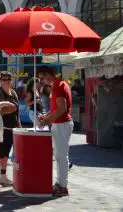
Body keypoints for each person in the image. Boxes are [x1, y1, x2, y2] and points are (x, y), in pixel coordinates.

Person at [38, 66, 73, 197]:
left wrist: (47, 120)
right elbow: (56, 109)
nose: (42, 81)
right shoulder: (59, 84)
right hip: (61, 124)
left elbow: (62, 109)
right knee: (60, 156)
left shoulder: (58, 86)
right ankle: (60, 183)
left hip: (62, 124)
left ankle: (62, 186)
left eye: (42, 78)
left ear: (48, 74)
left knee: (61, 157)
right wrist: (46, 117)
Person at [0, 71, 21, 186]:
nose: (7, 81)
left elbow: (17, 111)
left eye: (9, 79)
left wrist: (19, 125)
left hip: (13, 127)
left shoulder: (13, 92)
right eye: (4, 79)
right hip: (2, 127)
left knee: (6, 154)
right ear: (0, 81)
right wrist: (8, 110)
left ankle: (3, 177)